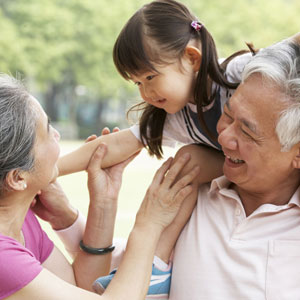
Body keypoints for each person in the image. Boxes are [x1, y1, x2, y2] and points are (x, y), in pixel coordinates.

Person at [54, 1, 254, 295]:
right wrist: (48, 170)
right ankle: (157, 266)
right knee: (184, 163)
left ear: (191, 58)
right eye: (137, 83)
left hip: (279, 162)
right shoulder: (178, 116)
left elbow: (288, 53)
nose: (145, 92)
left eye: (150, 77)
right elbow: (113, 145)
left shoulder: (238, 73)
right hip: (240, 168)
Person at [0, 74, 200, 299]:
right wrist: (149, 225)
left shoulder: (22, 220)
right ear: (17, 178)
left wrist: (103, 202)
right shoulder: (3, 257)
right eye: (47, 131)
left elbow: (82, 286)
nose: (56, 135)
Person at [167, 34, 300, 299]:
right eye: (227, 115)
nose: (224, 137)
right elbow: (124, 285)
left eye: (248, 132)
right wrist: (88, 213)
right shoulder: (188, 186)